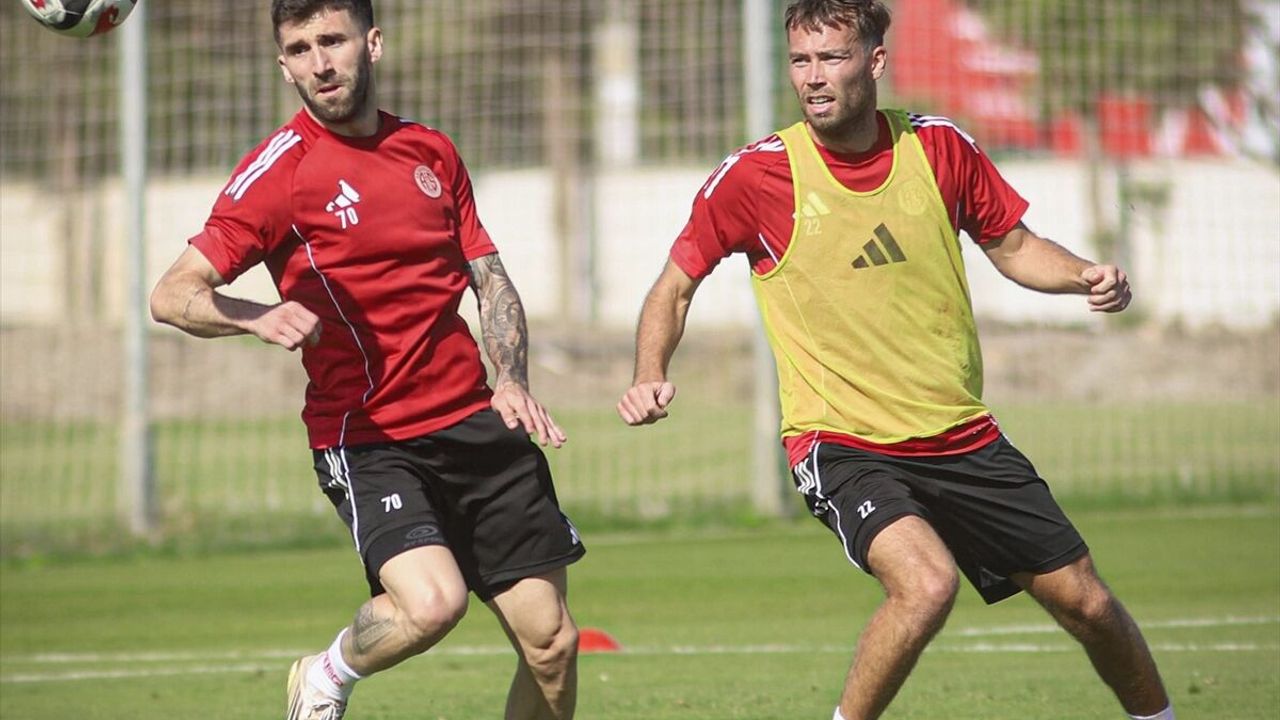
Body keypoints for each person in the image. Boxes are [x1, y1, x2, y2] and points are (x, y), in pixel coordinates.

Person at [616, 1, 1174, 719]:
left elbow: (1014, 246)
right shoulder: (758, 176)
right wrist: (649, 374)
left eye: (832, 58)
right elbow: (673, 287)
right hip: (842, 441)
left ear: (875, 61)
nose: (813, 78)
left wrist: (1084, 276)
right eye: (800, 61)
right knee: (926, 584)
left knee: (1088, 603)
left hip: (961, 433)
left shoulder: (939, 147)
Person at [149, 2, 584, 718]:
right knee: (433, 604)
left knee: (553, 645)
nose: (319, 63)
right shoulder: (279, 173)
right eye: (300, 48)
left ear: (372, 43)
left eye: (333, 40)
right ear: (282, 65)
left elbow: (488, 277)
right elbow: (172, 295)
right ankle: (327, 675)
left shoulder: (430, 152)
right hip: (372, 439)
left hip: (475, 422)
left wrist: (511, 380)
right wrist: (256, 316)